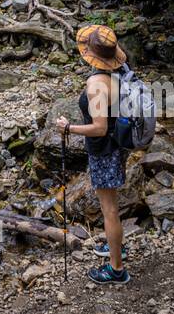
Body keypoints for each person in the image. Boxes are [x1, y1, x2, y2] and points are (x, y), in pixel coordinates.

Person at [55, 24, 131, 285]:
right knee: (110, 206)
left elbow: (99, 128)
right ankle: (115, 248)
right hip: (117, 145)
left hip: (105, 150)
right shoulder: (119, 71)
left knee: (109, 209)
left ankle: (116, 269)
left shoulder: (97, 84)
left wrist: (68, 128)